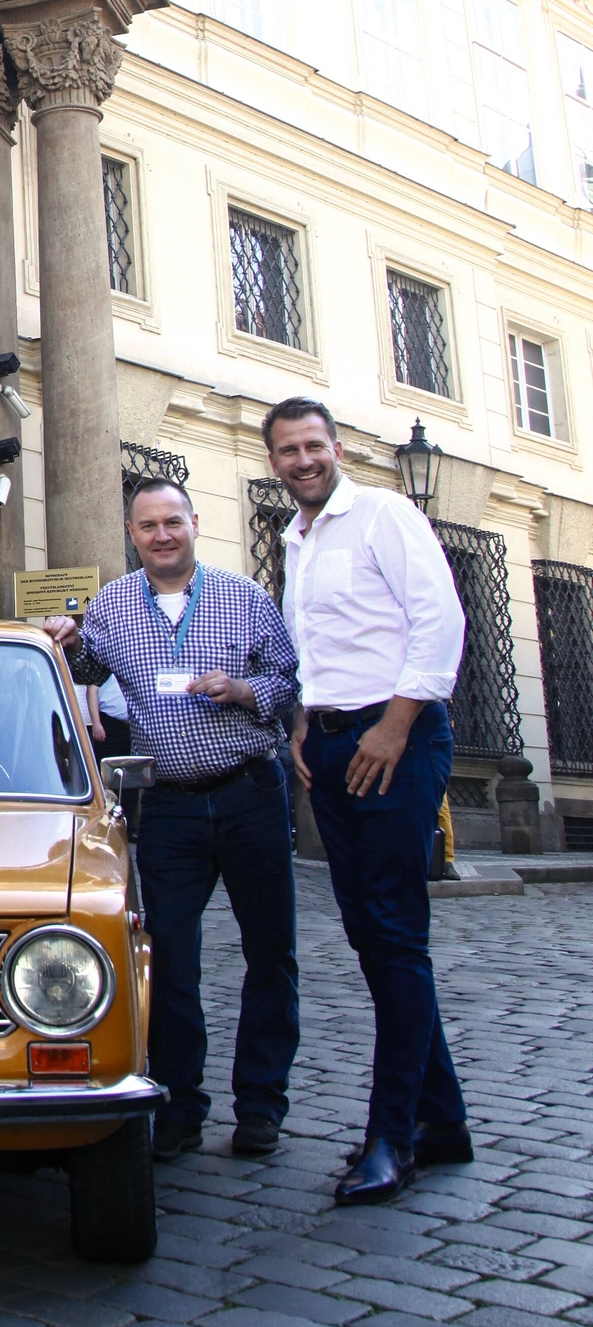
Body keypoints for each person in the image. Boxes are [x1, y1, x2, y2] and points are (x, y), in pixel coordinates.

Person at [45, 478, 300, 1164]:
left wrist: (244, 689)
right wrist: (64, 638)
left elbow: (287, 680)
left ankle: (260, 1106)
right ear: (132, 535)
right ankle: (180, 1105)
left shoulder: (245, 598)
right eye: (148, 525)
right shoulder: (114, 606)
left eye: (173, 522)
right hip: (172, 808)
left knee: (271, 956)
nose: (162, 535)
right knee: (171, 964)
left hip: (250, 793)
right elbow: (85, 662)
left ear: (195, 524)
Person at [264, 397, 471, 1206]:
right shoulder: (297, 539)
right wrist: (304, 725)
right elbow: (314, 645)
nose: (303, 460)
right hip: (335, 740)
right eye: (288, 451)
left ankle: (393, 1137)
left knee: (394, 932)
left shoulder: (383, 514)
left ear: (337, 448)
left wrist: (395, 724)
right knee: (371, 932)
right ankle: (443, 1120)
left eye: (313, 445)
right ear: (275, 462)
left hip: (398, 738)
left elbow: (439, 621)